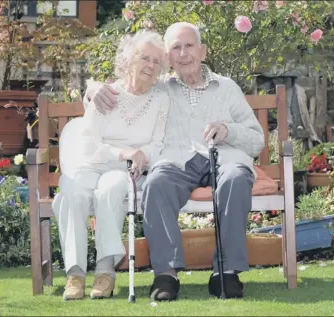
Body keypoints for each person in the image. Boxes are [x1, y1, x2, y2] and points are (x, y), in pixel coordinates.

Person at [85, 22, 265, 301]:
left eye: (189, 46)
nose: (183, 54)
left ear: (202, 51)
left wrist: (229, 130)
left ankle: (226, 272)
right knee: (157, 182)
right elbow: (124, 87)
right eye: (175, 48)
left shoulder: (227, 88)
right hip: (178, 162)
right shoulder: (159, 88)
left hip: (224, 157)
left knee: (236, 179)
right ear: (168, 58)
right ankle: (166, 274)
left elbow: (257, 140)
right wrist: (92, 87)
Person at [52, 30, 170, 301]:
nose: (151, 66)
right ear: (128, 60)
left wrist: (141, 155)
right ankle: (75, 272)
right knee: (71, 190)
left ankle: (105, 272)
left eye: (156, 61)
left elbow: (157, 144)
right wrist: (123, 152)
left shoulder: (161, 99)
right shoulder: (106, 94)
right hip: (93, 162)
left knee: (111, 188)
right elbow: (89, 145)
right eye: (144, 58)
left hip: (125, 171)